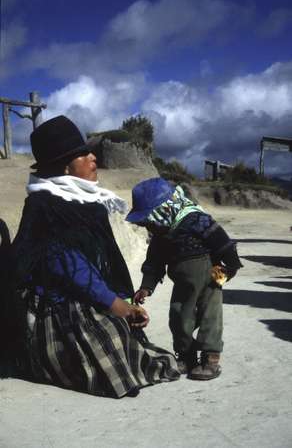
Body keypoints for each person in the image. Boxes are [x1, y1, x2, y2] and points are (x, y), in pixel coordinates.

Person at [10, 116, 180, 398]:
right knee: (109, 346)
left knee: (127, 339)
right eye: (83, 154)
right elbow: (63, 264)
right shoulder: (44, 205)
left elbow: (105, 261)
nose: (93, 158)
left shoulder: (91, 203)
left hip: (86, 291)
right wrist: (116, 305)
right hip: (54, 302)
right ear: (65, 166)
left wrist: (123, 301)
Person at [126, 177, 242, 380]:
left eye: (150, 222)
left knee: (210, 316)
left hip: (211, 277)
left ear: (164, 210)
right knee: (179, 316)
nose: (149, 228)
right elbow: (154, 262)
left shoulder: (196, 219)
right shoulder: (162, 234)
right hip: (183, 283)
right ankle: (186, 356)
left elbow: (222, 242)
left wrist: (230, 266)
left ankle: (211, 358)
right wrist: (146, 286)